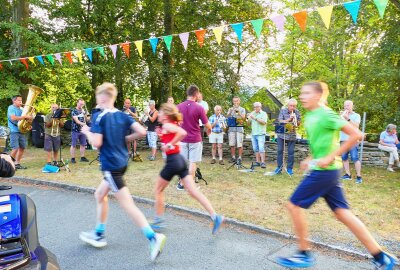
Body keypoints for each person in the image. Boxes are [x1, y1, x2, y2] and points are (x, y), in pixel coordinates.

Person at [276, 81, 398, 269]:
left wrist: (331, 157)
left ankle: (303, 255)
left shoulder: (326, 114)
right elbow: (322, 143)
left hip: (325, 172)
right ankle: (381, 256)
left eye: (306, 93)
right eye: (302, 93)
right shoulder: (311, 115)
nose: (302, 97)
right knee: (343, 214)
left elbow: (356, 135)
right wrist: (311, 157)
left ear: (318, 95)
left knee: (293, 205)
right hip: (328, 172)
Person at [79, 82, 166, 261]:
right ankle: (99, 233)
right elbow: (142, 131)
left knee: (127, 204)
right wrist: (123, 139)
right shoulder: (121, 115)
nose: (97, 100)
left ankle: (153, 237)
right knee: (99, 194)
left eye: (97, 97)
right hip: (122, 162)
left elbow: (96, 143)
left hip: (111, 166)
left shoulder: (99, 116)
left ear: (102, 98)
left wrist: (87, 131)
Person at [151, 103, 224, 233]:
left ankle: (157, 221)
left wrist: (168, 145)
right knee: (193, 192)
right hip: (181, 161)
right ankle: (215, 217)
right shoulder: (168, 125)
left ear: (166, 115)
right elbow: (172, 135)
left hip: (173, 162)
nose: (159, 114)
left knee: (158, 190)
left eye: (161, 112)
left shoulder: (167, 124)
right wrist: (163, 137)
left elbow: (182, 133)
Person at [176, 85, 212, 191]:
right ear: (196, 94)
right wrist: (209, 130)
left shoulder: (178, 107)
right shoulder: (199, 107)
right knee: (192, 162)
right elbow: (207, 124)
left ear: (188, 94)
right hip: (195, 139)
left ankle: (181, 184)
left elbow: (176, 123)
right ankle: (190, 186)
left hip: (182, 139)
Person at [272, 98, 301, 175]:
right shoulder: (283, 111)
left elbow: (299, 124)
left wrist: (296, 121)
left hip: (292, 135)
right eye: (291, 105)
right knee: (280, 150)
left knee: (291, 152)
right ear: (288, 105)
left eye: (294, 106)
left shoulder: (297, 112)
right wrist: (289, 119)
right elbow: (280, 121)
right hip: (282, 135)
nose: (292, 107)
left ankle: (289, 169)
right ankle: (279, 168)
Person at [340, 100, 362, 183]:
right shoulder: (341, 115)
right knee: (344, 158)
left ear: (352, 106)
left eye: (348, 105)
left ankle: (359, 177)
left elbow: (356, 126)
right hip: (343, 140)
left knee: (355, 158)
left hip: (353, 140)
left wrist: (347, 118)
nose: (346, 107)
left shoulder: (356, 115)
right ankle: (348, 175)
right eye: (345, 105)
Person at [7, 95, 32, 169]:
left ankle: (17, 163)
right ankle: (9, 165)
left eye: (21, 100)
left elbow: (26, 120)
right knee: (15, 148)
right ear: (14, 101)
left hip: (21, 131)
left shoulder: (22, 109)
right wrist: (25, 117)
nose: (21, 102)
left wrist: (29, 124)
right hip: (13, 131)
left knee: (22, 147)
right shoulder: (11, 108)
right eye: (19, 100)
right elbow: (13, 118)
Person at [247, 102, 268, 168]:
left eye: (256, 107)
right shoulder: (252, 113)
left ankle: (263, 163)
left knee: (261, 148)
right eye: (254, 107)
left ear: (260, 107)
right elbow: (248, 124)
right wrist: (247, 118)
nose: (255, 108)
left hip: (261, 134)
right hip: (254, 133)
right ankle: (257, 162)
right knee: (255, 148)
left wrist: (255, 118)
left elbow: (264, 122)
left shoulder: (263, 113)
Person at [227, 97, 246, 165]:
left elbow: (244, 118)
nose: (235, 102)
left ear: (239, 101)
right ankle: (233, 157)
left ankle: (240, 158)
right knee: (232, 144)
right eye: (234, 101)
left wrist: (238, 112)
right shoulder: (230, 109)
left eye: (236, 101)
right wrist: (231, 111)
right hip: (232, 129)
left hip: (239, 129)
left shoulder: (242, 109)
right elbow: (227, 116)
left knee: (239, 144)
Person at [70, 98, 89, 163]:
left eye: (82, 104)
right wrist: (84, 124)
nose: (81, 105)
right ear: (77, 103)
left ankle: (82, 157)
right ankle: (72, 158)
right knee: (74, 144)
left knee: (83, 144)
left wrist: (85, 114)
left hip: (83, 130)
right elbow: (77, 121)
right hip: (75, 130)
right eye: (80, 103)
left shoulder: (84, 110)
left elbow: (87, 120)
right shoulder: (74, 111)